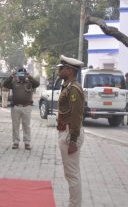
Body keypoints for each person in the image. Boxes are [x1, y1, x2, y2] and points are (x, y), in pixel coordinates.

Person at [56, 55, 84, 207]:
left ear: (69, 70)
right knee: (71, 173)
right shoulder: (68, 86)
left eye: (62, 68)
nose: (59, 70)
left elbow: (76, 115)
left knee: (72, 174)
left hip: (70, 134)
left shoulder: (73, 89)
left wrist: (73, 139)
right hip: (66, 131)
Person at [3, 67, 40, 150]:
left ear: (25, 74)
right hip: (16, 107)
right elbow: (5, 84)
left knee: (26, 125)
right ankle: (15, 142)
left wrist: (29, 76)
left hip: (27, 107)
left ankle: (27, 142)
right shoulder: (13, 82)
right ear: (17, 74)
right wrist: (11, 76)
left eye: (23, 74)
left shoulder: (29, 82)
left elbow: (37, 84)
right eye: (19, 74)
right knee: (15, 125)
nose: (21, 76)